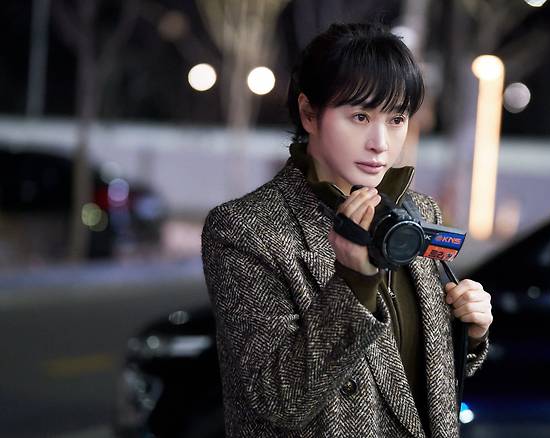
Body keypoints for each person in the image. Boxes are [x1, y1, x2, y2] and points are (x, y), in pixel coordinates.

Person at [201, 22, 492, 438]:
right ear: (309, 113)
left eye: (396, 119)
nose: (380, 143)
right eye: (359, 116)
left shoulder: (418, 211)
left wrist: (468, 333)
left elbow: (412, 379)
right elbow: (277, 401)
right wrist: (353, 282)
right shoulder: (247, 230)